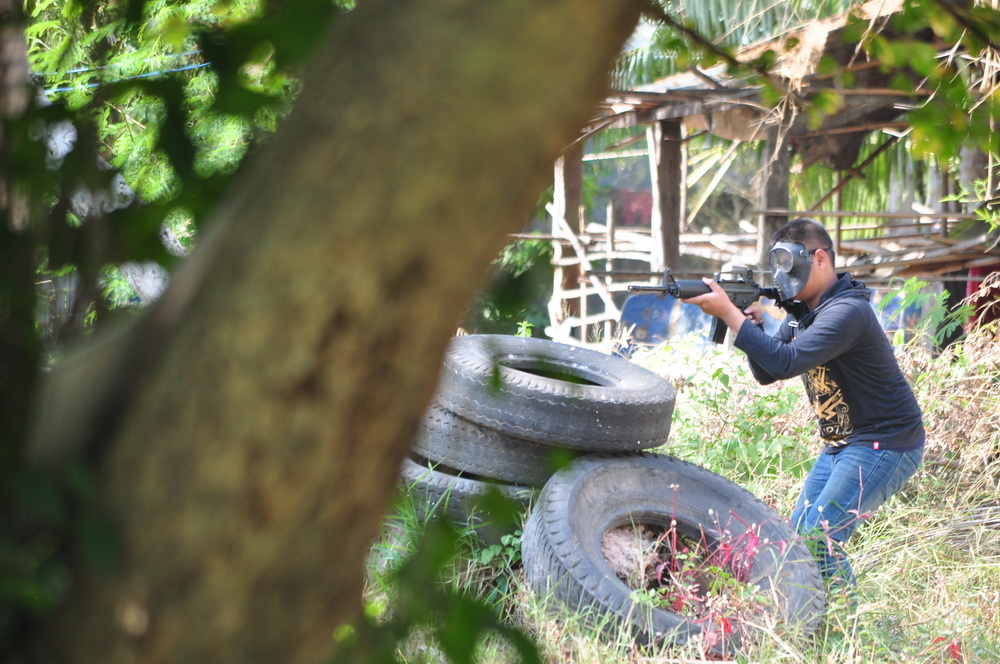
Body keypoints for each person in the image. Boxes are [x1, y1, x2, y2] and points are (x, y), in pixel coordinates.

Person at [682, 218, 925, 589]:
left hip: (884, 444)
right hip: (842, 445)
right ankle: (813, 614)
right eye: (777, 266)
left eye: (789, 265)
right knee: (798, 539)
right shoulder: (804, 315)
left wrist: (729, 313)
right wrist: (750, 325)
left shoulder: (847, 312)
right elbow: (768, 373)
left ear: (820, 258)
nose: (783, 277)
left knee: (819, 539)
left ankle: (845, 622)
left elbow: (786, 361)